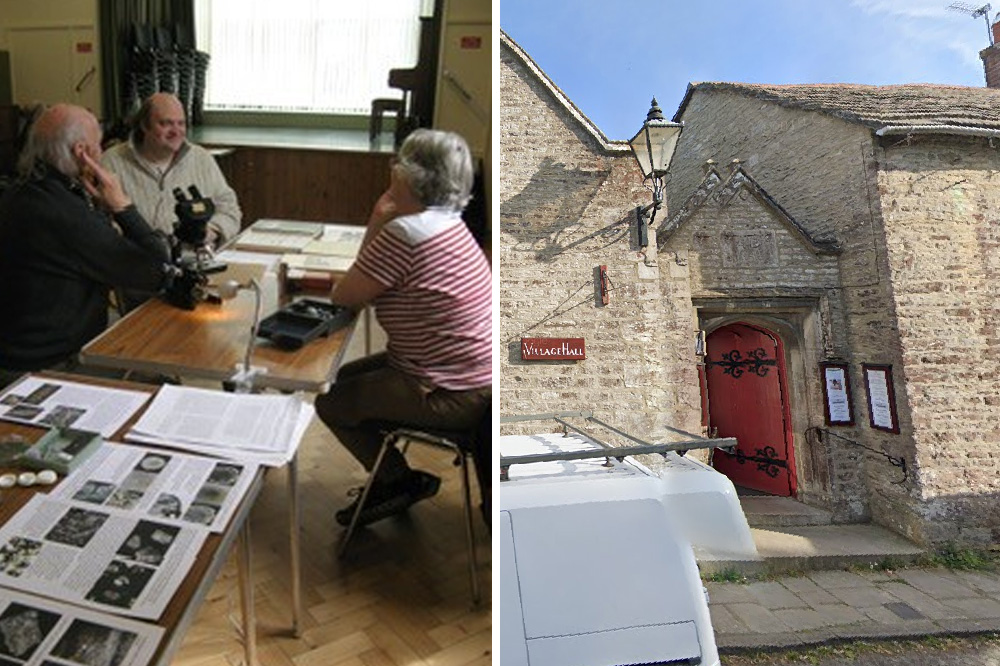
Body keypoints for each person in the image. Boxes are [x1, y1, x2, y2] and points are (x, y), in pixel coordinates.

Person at [315, 129, 492, 528]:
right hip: (475, 379)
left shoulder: (406, 232)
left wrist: (378, 217)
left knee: (329, 399)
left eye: (398, 162)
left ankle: (397, 481)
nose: (391, 168)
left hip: (449, 392)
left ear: (411, 175)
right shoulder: (449, 222)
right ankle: (393, 475)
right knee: (339, 378)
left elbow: (345, 295)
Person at [0, 104, 173, 387]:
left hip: (18, 353)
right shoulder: (63, 212)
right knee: (161, 385)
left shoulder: (21, 193)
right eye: (98, 146)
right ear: (83, 152)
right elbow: (156, 270)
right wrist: (122, 205)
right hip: (47, 368)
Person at [102, 93, 241, 309]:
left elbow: (230, 209)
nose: (176, 131)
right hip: (139, 282)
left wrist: (208, 231)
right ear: (144, 126)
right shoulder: (112, 162)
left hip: (198, 277)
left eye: (181, 123)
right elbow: (99, 225)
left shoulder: (201, 159)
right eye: (165, 123)